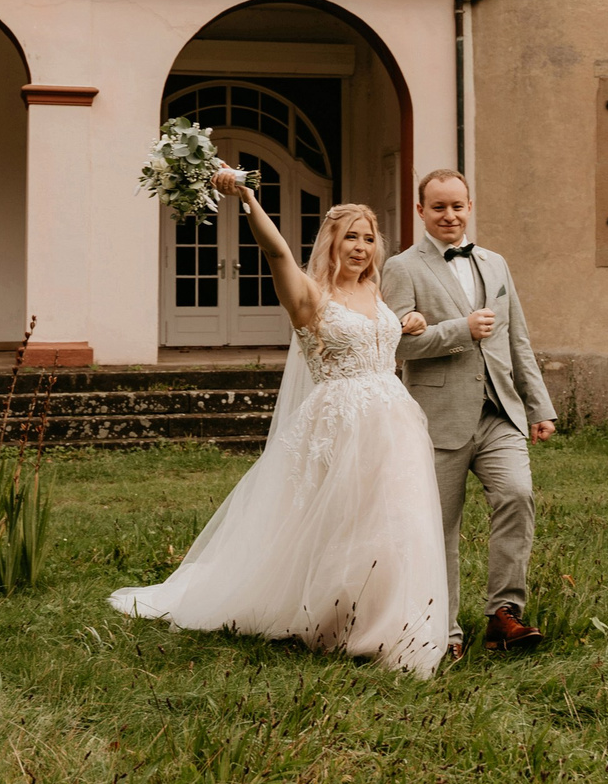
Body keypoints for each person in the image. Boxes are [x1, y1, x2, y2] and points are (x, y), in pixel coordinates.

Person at [108, 171, 450, 678]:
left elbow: (381, 334)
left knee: (395, 519)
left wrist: (408, 322)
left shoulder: (376, 291)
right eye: (350, 236)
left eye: (368, 237)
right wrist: (247, 199)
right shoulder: (310, 296)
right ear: (332, 241)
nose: (360, 246)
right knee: (342, 521)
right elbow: (277, 254)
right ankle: (333, 618)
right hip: (342, 422)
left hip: (394, 420)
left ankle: (389, 622)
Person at [380, 169, 557, 659]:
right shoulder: (401, 267)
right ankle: (444, 632)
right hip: (438, 416)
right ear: (421, 212)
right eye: (438, 207)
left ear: (470, 206)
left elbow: (516, 339)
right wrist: (461, 329)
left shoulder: (495, 264)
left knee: (517, 496)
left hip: (498, 411)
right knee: (440, 528)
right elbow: (397, 345)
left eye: (457, 205)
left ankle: (505, 616)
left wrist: (538, 406)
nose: (449, 215)